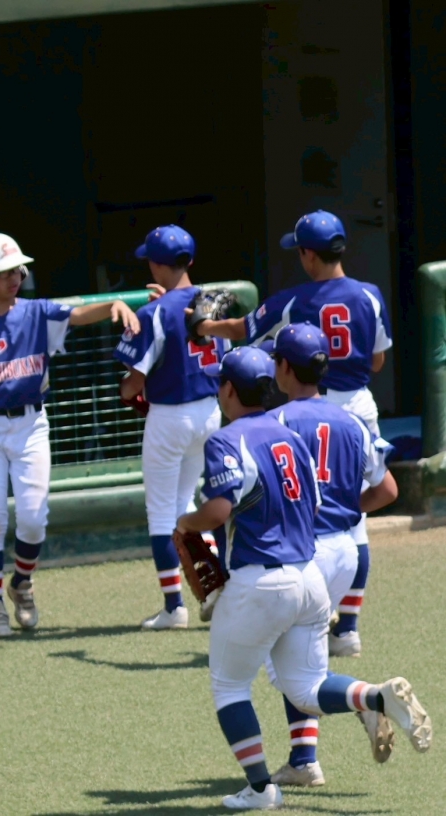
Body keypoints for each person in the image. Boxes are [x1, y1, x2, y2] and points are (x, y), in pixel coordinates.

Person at [175, 347, 431, 811]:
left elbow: (218, 510)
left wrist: (186, 522)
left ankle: (260, 789)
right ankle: (375, 697)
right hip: (309, 578)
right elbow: (314, 503)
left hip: (260, 581)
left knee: (230, 687)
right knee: (307, 688)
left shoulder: (227, 439)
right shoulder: (290, 435)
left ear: (228, 390)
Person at [190, 210, 393, 657]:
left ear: (308, 254)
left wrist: (204, 327)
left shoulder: (295, 300)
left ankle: (284, 613)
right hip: (357, 407)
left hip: (308, 409)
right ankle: (347, 626)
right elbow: (378, 361)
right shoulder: (370, 294)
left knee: (295, 508)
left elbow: (244, 330)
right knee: (354, 525)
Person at [0, 232, 140, 638]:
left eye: (17, 270)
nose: (15, 277)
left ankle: (21, 583)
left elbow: (77, 314)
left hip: (31, 424)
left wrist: (114, 304)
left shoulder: (36, 311)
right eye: (4, 273)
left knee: (33, 520)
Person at [266, 322, 399, 787]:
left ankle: (370, 698)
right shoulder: (352, 421)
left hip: (303, 556)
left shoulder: (276, 423)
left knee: (289, 673)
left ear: (284, 367)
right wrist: (345, 507)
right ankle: (304, 761)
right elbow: (388, 490)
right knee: (305, 658)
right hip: (344, 553)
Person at [113, 224, 230, 630]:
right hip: (210, 413)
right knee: (188, 506)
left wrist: (124, 391)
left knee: (162, 514)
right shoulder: (214, 304)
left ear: (154, 264)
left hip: (170, 417)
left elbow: (133, 384)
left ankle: (174, 607)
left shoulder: (153, 313)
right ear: (190, 260)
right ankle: (216, 587)